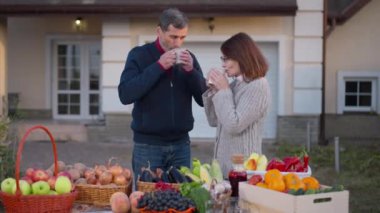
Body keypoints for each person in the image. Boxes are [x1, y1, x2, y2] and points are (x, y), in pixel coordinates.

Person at [118, 8, 207, 183]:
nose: (178, 43)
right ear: (159, 31)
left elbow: (204, 99)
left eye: (182, 38)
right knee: (148, 202)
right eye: (173, 37)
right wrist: (159, 66)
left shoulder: (190, 59)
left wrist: (192, 72)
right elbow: (125, 94)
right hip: (148, 146)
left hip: (181, 146)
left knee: (181, 201)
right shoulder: (139, 55)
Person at [202, 32, 271, 176]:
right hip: (225, 167)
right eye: (222, 59)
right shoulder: (236, 85)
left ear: (241, 57)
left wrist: (224, 90)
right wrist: (215, 90)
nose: (223, 64)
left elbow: (234, 125)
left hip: (244, 169)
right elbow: (214, 120)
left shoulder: (258, 85)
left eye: (226, 59)